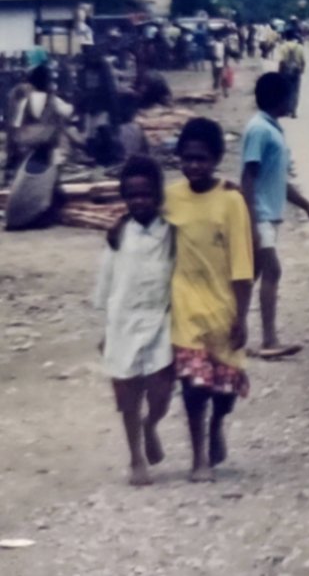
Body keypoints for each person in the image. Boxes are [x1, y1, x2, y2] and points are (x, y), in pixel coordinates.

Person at [164, 118, 254, 483]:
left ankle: (218, 424)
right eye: (187, 158)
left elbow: (243, 264)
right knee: (194, 386)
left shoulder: (231, 201)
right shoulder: (171, 197)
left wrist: (243, 317)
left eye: (201, 158)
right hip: (185, 305)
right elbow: (143, 219)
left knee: (224, 390)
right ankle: (198, 458)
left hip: (223, 306)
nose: (194, 165)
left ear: (216, 159)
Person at [93, 156, 176, 486]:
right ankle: (136, 458)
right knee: (128, 394)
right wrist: (105, 332)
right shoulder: (118, 236)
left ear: (157, 194)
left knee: (161, 390)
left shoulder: (170, 231)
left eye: (146, 194)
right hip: (123, 322)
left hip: (161, 319)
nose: (139, 201)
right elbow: (107, 283)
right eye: (132, 195)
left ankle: (151, 423)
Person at [240, 74, 309, 361]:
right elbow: (248, 177)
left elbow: (278, 180)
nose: (293, 100)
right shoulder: (259, 130)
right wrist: (250, 221)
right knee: (272, 271)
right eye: (289, 95)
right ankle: (269, 339)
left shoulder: (271, 129)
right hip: (260, 215)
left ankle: (234, 334)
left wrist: (308, 208)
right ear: (279, 98)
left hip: (268, 216)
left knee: (249, 277)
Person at [276, 29, 306, 118]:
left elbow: (281, 61)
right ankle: (293, 111)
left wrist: (279, 72)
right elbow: (303, 61)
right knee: (295, 91)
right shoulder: (299, 47)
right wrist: (302, 70)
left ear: (285, 37)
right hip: (296, 71)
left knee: (285, 91)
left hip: (285, 71)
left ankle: (286, 110)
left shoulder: (282, 47)